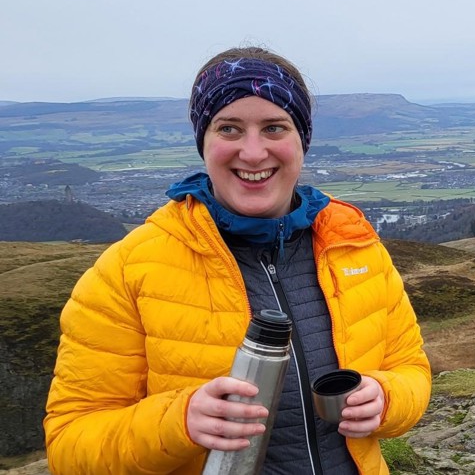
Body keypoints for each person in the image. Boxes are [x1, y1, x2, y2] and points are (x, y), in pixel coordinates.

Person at [44, 46, 432, 474]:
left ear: (301, 140)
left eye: (274, 128)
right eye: (228, 128)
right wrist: (179, 422)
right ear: (203, 142)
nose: (252, 152)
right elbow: (70, 444)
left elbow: (411, 370)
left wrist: (386, 396)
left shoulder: (354, 245)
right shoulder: (126, 271)